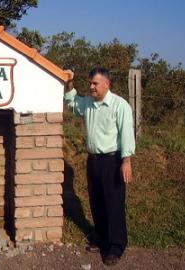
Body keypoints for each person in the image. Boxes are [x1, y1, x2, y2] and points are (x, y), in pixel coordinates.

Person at [64, 67, 135, 266]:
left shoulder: (120, 106)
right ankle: (102, 239)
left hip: (112, 161)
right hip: (93, 161)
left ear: (107, 84)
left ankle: (116, 246)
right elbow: (71, 101)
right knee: (97, 202)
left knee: (113, 204)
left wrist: (126, 161)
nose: (91, 87)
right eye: (90, 83)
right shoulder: (88, 104)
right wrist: (69, 82)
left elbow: (126, 135)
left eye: (95, 83)